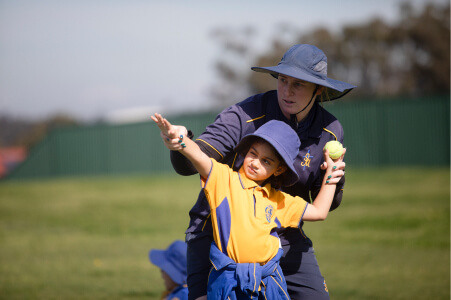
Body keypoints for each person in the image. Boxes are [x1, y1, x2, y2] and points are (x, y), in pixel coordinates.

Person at [161, 44, 356, 299]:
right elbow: (192, 162)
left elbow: (324, 204)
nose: (286, 91)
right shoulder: (246, 113)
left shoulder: (330, 130)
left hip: (282, 234)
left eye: (298, 84)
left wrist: (335, 178)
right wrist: (180, 141)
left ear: (318, 90)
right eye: (283, 80)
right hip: (219, 235)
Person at [152, 114, 345, 299]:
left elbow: (319, 212)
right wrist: (180, 139)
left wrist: (332, 171)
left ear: (279, 169)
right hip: (230, 284)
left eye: (266, 161)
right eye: (253, 153)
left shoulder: (278, 200)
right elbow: (199, 156)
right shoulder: (224, 179)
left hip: (267, 285)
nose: (255, 162)